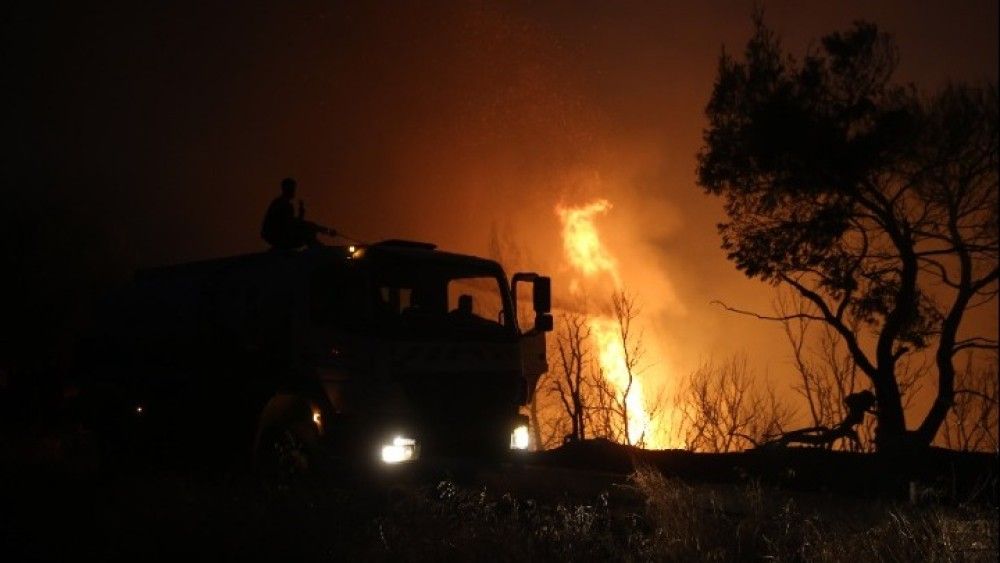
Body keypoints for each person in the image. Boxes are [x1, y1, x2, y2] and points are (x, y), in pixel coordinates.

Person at [260, 177, 336, 249]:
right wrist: (323, 230)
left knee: (309, 227)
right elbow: (291, 224)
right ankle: (319, 251)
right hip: (277, 236)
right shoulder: (283, 204)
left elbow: (294, 223)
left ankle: (319, 248)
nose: (294, 191)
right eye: (292, 189)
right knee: (308, 232)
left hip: (276, 234)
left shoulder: (280, 203)